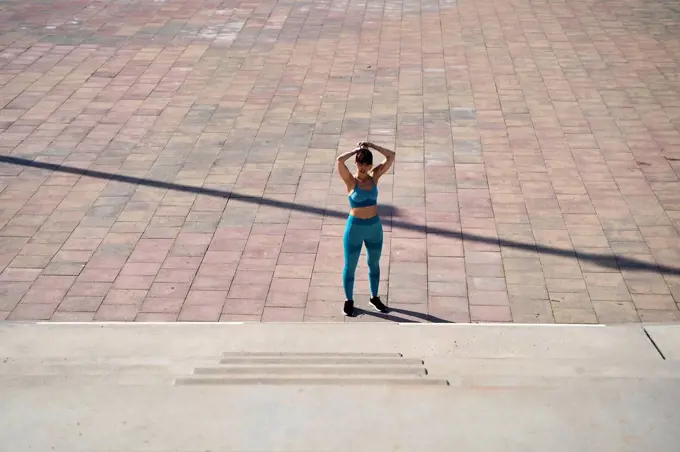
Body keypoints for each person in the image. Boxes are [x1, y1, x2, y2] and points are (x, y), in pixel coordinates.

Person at [336, 141, 396, 316]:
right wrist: (357, 150)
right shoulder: (350, 181)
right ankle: (348, 300)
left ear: (370, 165)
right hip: (355, 228)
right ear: (356, 163)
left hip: (374, 228)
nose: (362, 167)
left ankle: (374, 297)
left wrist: (372, 146)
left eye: (366, 164)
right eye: (359, 162)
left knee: (374, 263)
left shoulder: (374, 177)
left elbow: (391, 156)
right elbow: (339, 161)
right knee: (350, 266)